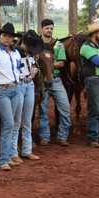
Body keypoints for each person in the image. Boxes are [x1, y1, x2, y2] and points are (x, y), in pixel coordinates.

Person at [0, 22, 23, 170]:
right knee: (9, 123)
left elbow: (18, 70)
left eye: (10, 36)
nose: (7, 38)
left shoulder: (16, 53)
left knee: (11, 124)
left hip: (15, 89)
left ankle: (7, 156)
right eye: (5, 35)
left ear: (13, 39)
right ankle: (2, 160)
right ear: (0, 36)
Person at [37, 18, 71, 147]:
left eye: (51, 28)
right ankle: (44, 136)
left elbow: (61, 63)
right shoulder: (36, 44)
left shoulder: (59, 45)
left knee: (66, 108)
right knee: (43, 110)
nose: (49, 30)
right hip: (41, 79)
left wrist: (47, 65)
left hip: (56, 79)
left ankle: (63, 136)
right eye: (47, 28)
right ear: (41, 29)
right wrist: (49, 64)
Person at [17, 30, 43, 161]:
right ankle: (13, 151)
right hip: (19, 84)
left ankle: (27, 150)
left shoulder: (31, 54)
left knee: (27, 120)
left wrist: (34, 71)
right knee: (16, 121)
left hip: (29, 84)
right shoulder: (15, 53)